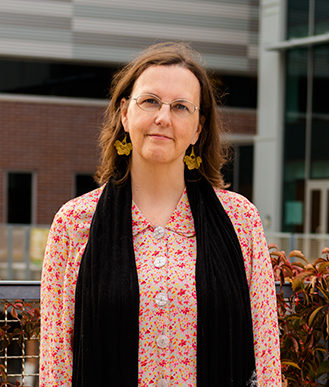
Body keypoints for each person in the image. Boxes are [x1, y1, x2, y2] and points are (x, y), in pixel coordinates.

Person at [39, 42, 281, 387]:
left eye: (181, 107)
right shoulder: (74, 223)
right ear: (125, 113)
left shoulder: (241, 220)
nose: (163, 118)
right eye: (150, 101)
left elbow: (266, 353)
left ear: (199, 128)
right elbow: (56, 363)